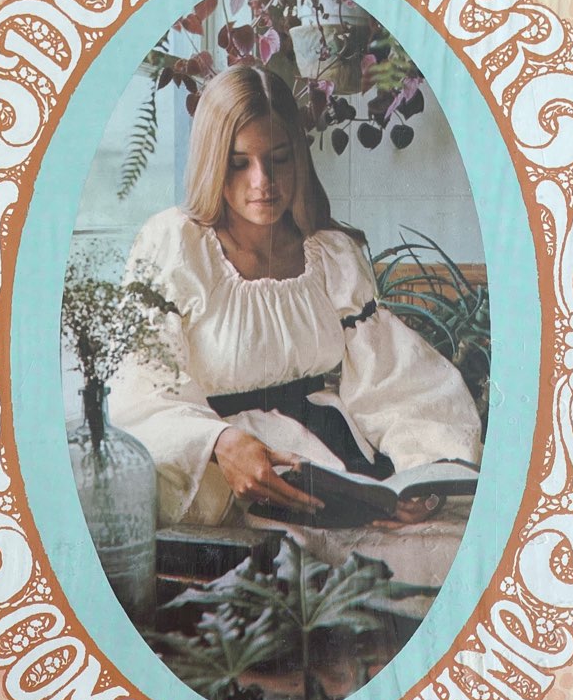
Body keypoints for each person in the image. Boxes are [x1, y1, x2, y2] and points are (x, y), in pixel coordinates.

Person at [108, 61, 483, 543]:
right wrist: (218, 441)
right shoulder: (175, 244)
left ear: (299, 158)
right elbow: (139, 389)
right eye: (239, 163)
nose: (263, 181)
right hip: (218, 482)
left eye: (279, 158)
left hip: (335, 471)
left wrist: (422, 474)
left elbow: (396, 381)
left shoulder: (330, 253)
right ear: (212, 161)